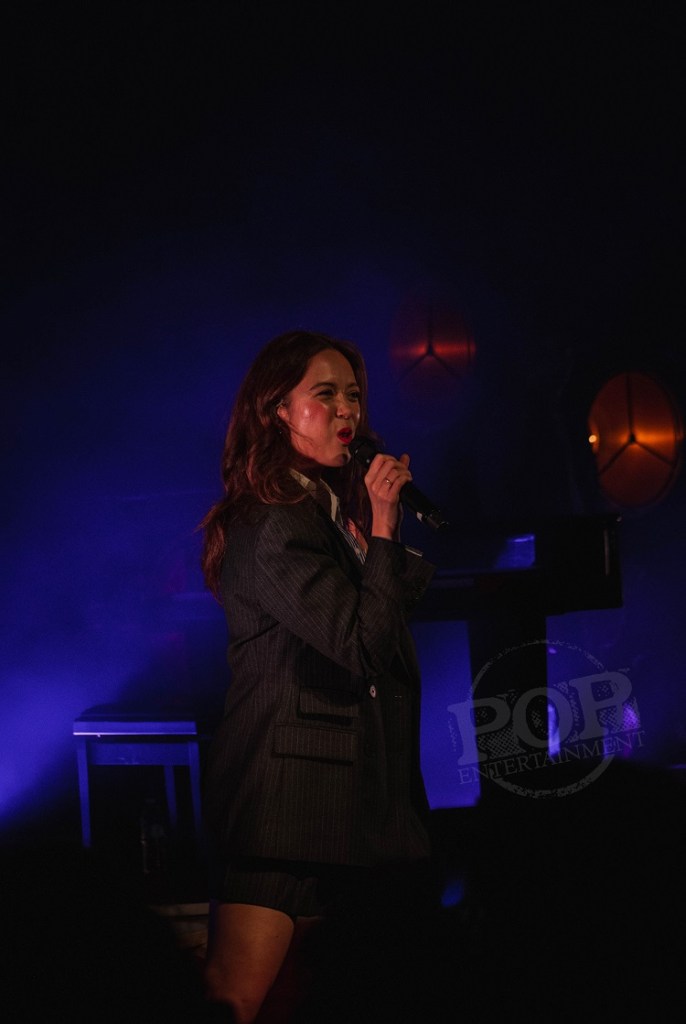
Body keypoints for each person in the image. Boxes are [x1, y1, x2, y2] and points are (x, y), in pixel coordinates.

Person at [199, 329, 439, 1023]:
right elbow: (360, 645)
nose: (346, 411)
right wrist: (384, 527)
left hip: (351, 801)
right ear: (277, 409)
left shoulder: (326, 513)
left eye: (354, 396)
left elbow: (382, 630)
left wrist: (377, 531)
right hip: (287, 802)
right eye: (325, 394)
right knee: (235, 998)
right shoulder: (272, 522)